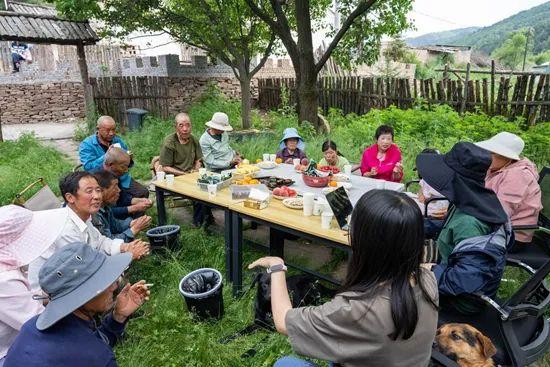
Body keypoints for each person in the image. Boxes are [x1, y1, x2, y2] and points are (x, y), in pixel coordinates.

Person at [250, 190, 439, 367]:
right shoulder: (428, 281)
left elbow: (283, 321)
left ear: (364, 243)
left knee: (285, 364)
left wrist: (277, 267)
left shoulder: (357, 310)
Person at [4, 243, 150, 367]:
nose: (114, 285)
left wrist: (118, 316)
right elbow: (91, 351)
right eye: (104, 281)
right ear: (82, 295)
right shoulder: (98, 358)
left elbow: (87, 342)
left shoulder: (31, 327)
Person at [416, 142, 512, 315]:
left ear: (454, 181)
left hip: (458, 302)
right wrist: (410, 225)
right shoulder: (470, 202)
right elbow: (447, 228)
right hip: (448, 271)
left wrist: (425, 271)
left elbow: (463, 282)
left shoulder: (469, 222)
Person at [27, 172, 150, 292]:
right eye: (89, 191)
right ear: (70, 198)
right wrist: (128, 256)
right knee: (113, 282)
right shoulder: (66, 230)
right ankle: (114, 309)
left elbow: (100, 241)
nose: (97, 196)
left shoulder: (82, 216)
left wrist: (125, 247)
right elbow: (86, 270)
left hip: (74, 277)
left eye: (98, 190)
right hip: (49, 293)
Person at [0, 205, 68, 366]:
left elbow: (24, 298)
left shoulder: (7, 266)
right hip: (8, 352)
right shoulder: (4, 279)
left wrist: (50, 293)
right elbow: (40, 323)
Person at [475, 132, 542, 245]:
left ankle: (447, 260)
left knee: (460, 228)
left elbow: (500, 211)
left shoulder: (518, 175)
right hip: (496, 227)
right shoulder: (497, 168)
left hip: (511, 235)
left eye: (491, 153)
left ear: (507, 157)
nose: (485, 155)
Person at [159, 113, 213, 227]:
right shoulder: (169, 142)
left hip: (190, 174)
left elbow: (198, 159)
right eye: (181, 125)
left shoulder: (193, 139)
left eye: (188, 125)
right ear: (176, 127)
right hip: (174, 177)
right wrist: (184, 174)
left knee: (208, 186)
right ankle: (198, 224)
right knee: (197, 194)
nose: (185, 129)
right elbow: (165, 167)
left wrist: (196, 169)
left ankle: (209, 218)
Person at [79, 115, 149, 202]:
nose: (112, 133)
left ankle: (135, 215)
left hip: (122, 178)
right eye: (108, 130)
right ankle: (121, 212)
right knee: (115, 199)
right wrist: (108, 155)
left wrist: (129, 159)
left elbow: (127, 165)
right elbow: (88, 167)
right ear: (98, 128)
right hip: (102, 181)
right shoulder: (87, 144)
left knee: (143, 192)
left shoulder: (117, 140)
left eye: (114, 130)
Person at [92, 171, 151, 242]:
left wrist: (132, 223)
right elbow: (109, 244)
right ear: (101, 191)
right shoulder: (94, 214)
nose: (119, 190)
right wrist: (134, 229)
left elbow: (115, 225)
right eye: (115, 186)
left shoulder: (105, 207)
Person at [101, 147, 153, 218]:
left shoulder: (114, 174)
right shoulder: (97, 181)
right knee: (128, 221)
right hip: (106, 222)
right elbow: (105, 212)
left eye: (127, 167)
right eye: (123, 167)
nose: (126, 171)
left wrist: (138, 200)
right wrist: (134, 208)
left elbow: (122, 196)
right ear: (111, 165)